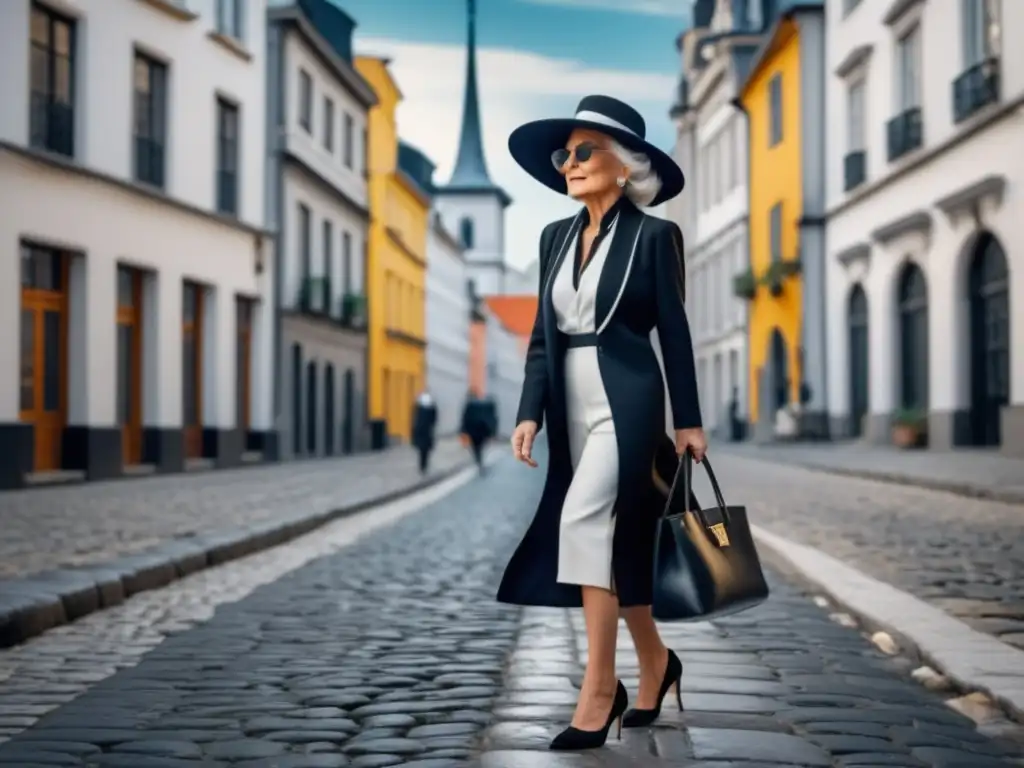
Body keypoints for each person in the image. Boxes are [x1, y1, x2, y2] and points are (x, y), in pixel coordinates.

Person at [500, 95, 707, 752]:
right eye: (565, 154)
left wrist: (689, 422)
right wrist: (529, 410)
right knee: (621, 548)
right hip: (570, 404)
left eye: (584, 151)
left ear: (626, 166)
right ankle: (656, 664)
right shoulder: (553, 238)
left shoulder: (654, 237)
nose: (569, 163)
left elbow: (673, 332)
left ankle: (599, 688)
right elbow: (542, 335)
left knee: (583, 520)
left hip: (630, 400)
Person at [460, 391, 490, 473]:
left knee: (475, 448)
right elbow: (486, 420)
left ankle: (479, 461)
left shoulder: (469, 407)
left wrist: (463, 430)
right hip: (481, 432)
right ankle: (479, 462)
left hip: (473, 432)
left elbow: (465, 419)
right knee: (479, 448)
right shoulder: (481, 406)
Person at [411, 390, 438, 474]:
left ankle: (422, 466)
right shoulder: (431, 408)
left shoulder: (418, 407)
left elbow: (415, 419)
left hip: (421, 431)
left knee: (422, 451)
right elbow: (434, 419)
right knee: (425, 451)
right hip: (427, 432)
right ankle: (424, 466)